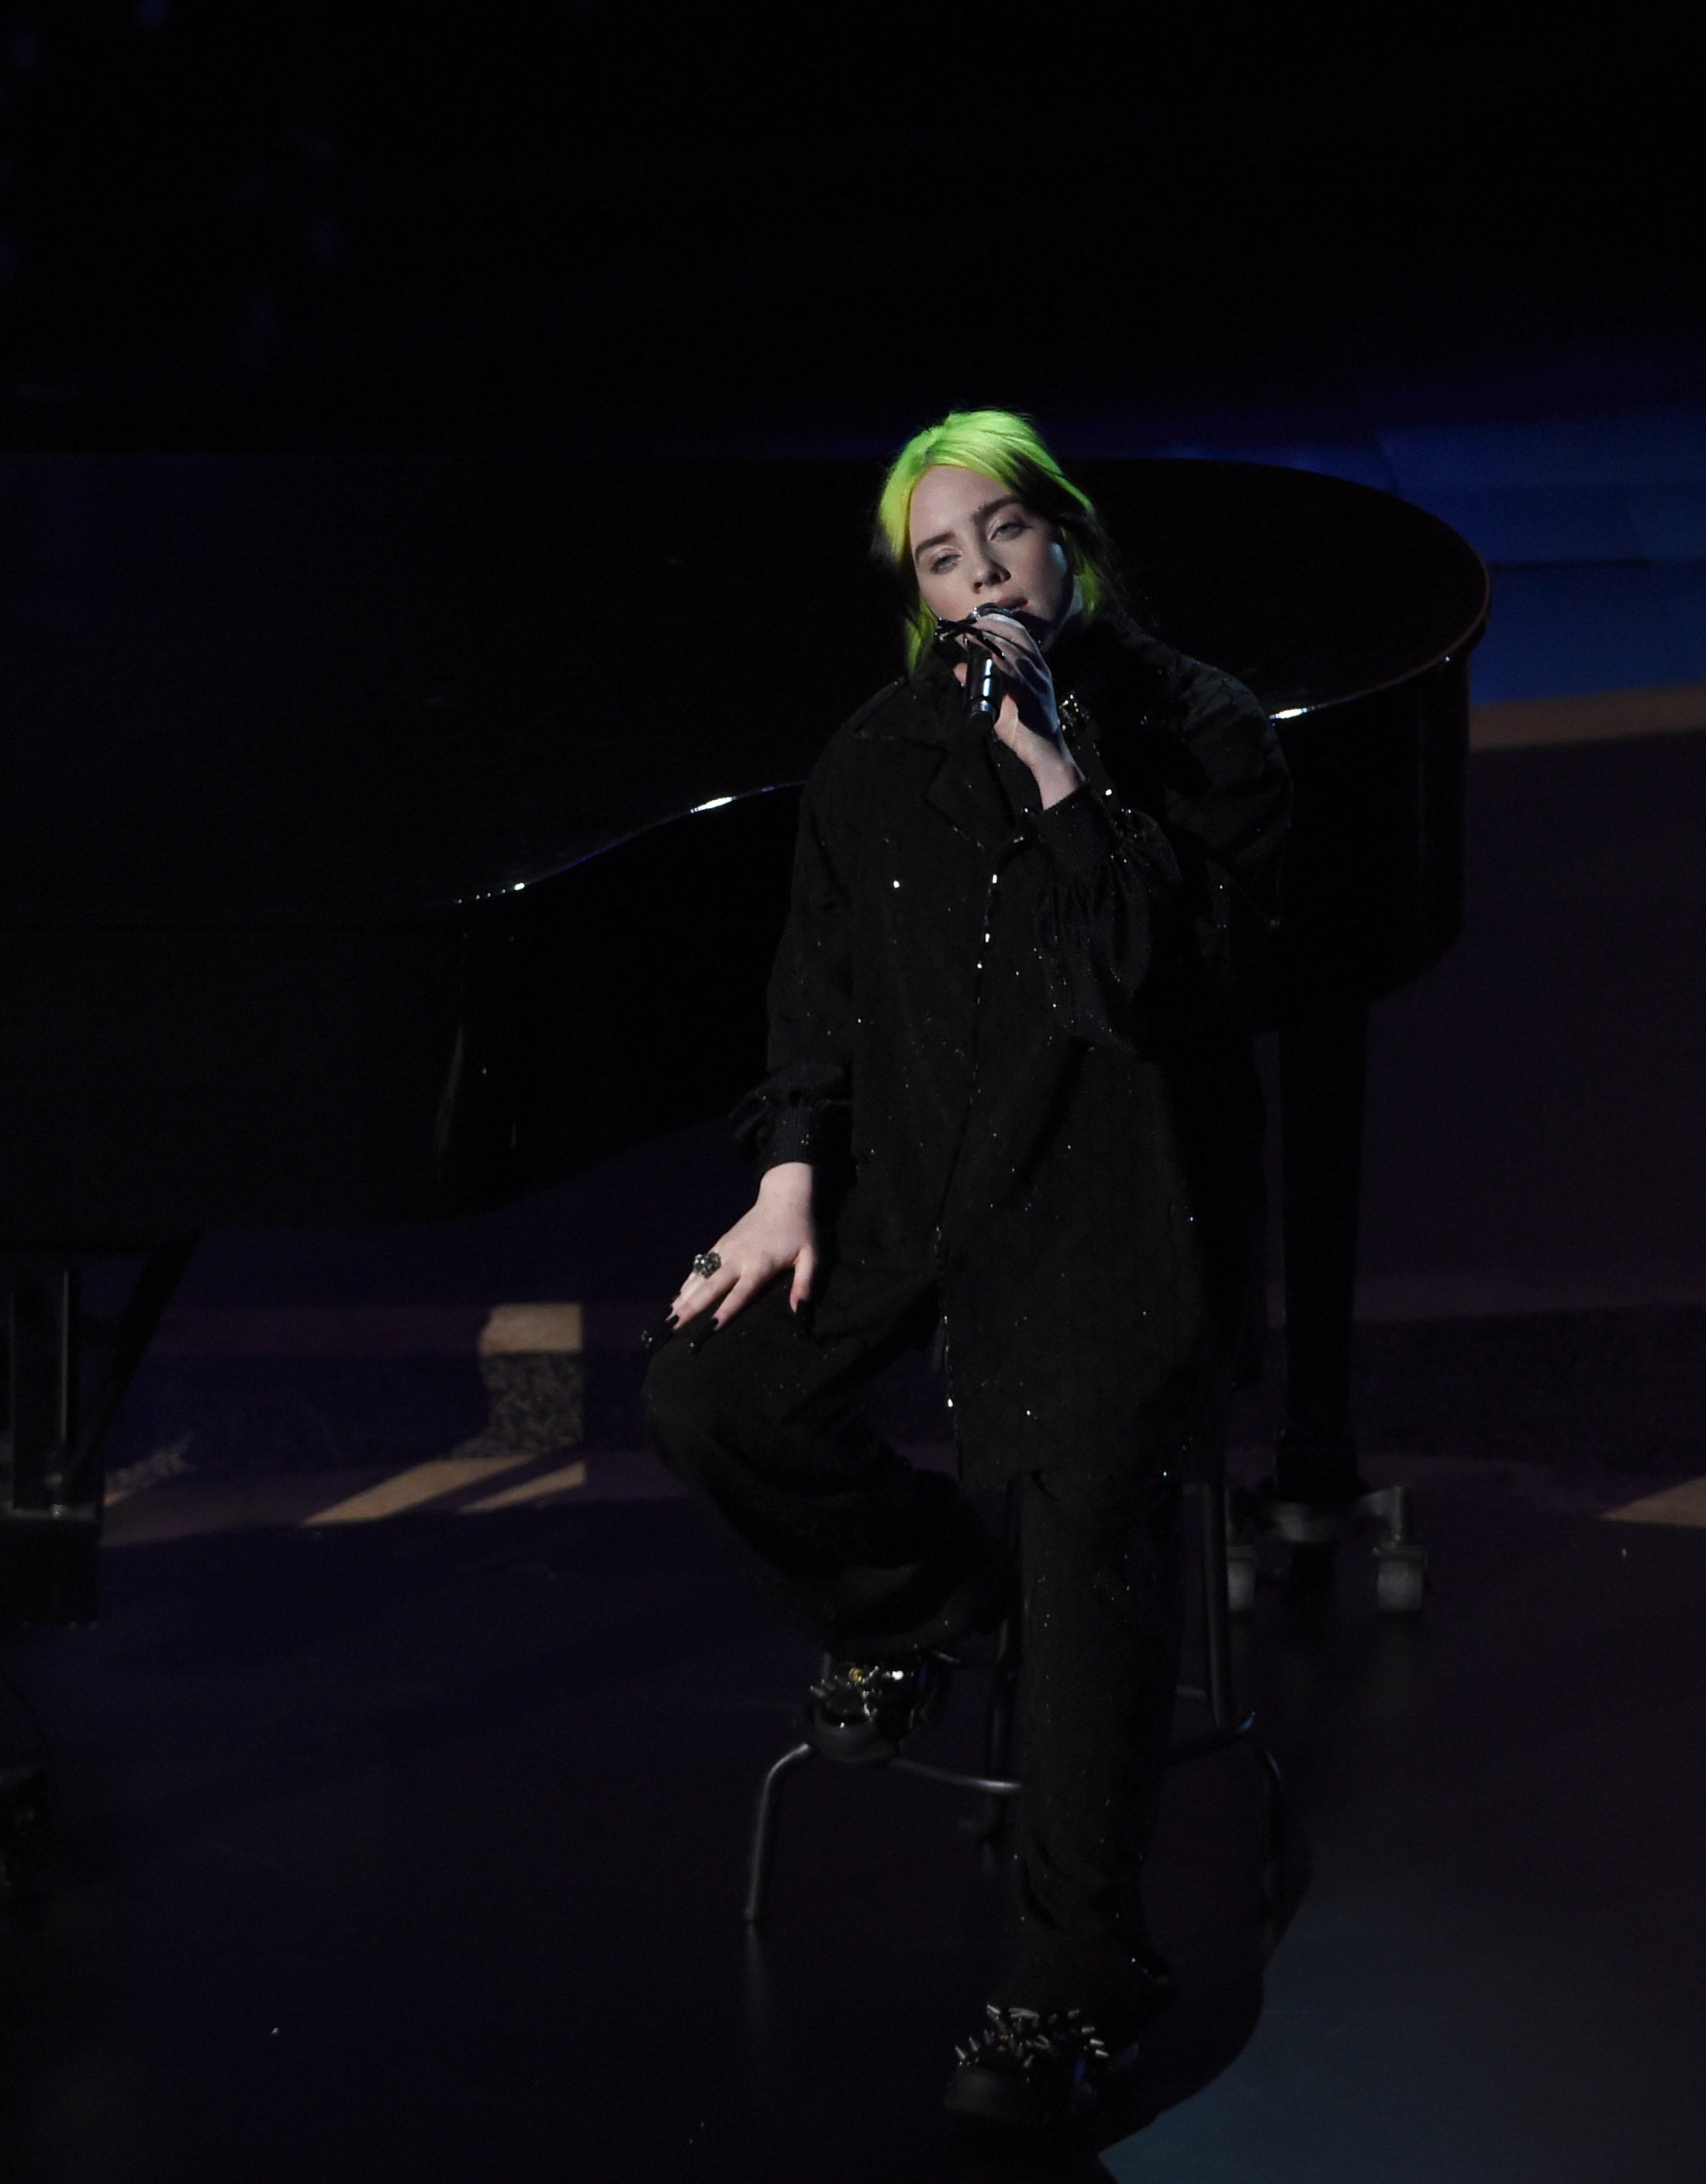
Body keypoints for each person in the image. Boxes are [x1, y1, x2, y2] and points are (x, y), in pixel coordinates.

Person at [643, 409, 1287, 2130]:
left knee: (1090, 1522)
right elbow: (812, 994)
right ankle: (928, 1606)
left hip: (1111, 1208)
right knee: (708, 1386)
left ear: (1065, 540)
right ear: (918, 597)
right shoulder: (872, 758)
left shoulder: (1200, 732)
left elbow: (1160, 985)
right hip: (917, 1190)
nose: (981, 572)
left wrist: (1064, 776)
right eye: (943, 555)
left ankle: (1069, 1973)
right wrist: (784, 1185)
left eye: (1001, 533)